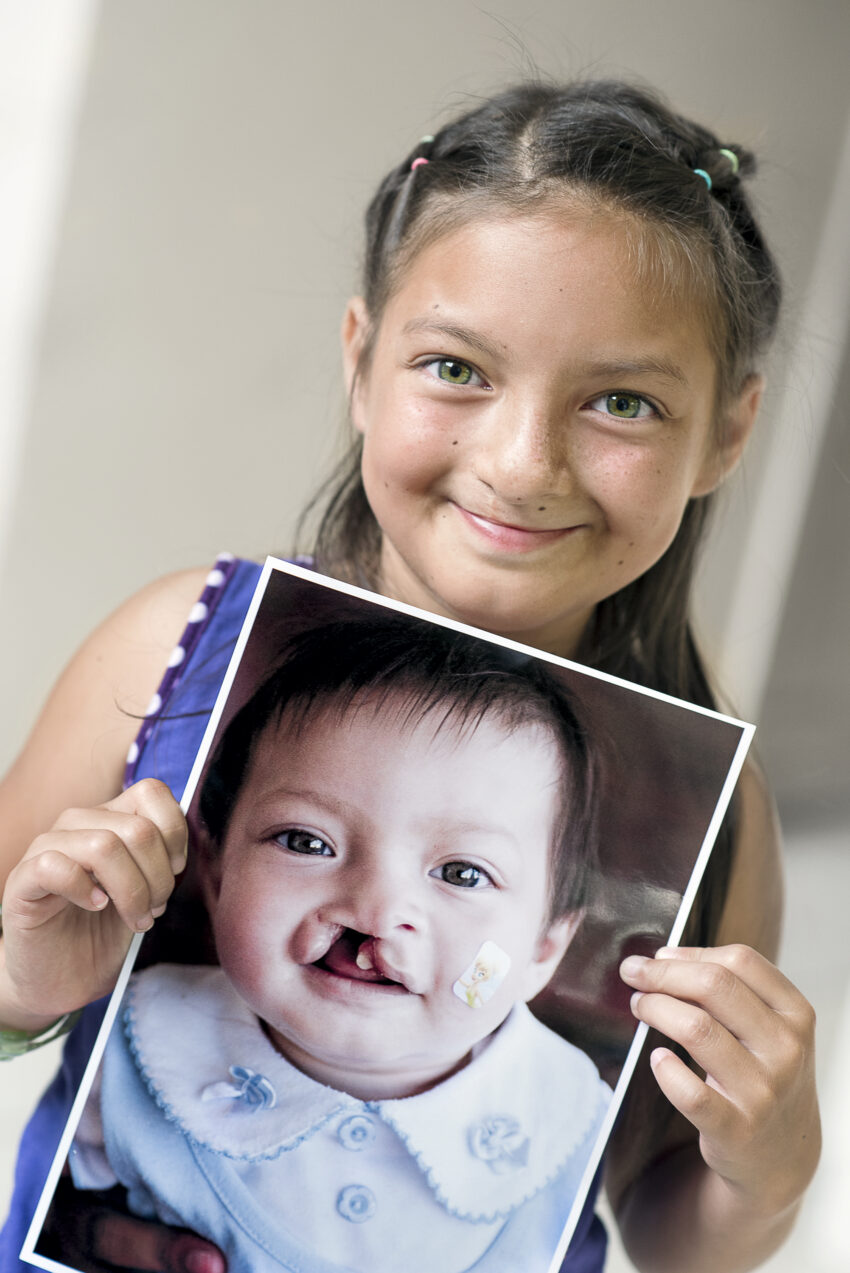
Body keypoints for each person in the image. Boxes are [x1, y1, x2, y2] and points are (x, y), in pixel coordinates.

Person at [0, 79, 820, 1273]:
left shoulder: (719, 814)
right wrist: (24, 983)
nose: (522, 461)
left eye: (623, 401)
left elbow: (664, 1229)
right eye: (455, 369)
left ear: (728, 434)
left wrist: (770, 1169)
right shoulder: (171, 645)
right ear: (361, 354)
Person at [66, 614, 613, 1273]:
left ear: (543, 951)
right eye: (305, 840)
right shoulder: (132, 1045)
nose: (374, 910)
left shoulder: (564, 1120)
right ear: (214, 870)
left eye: (463, 873)